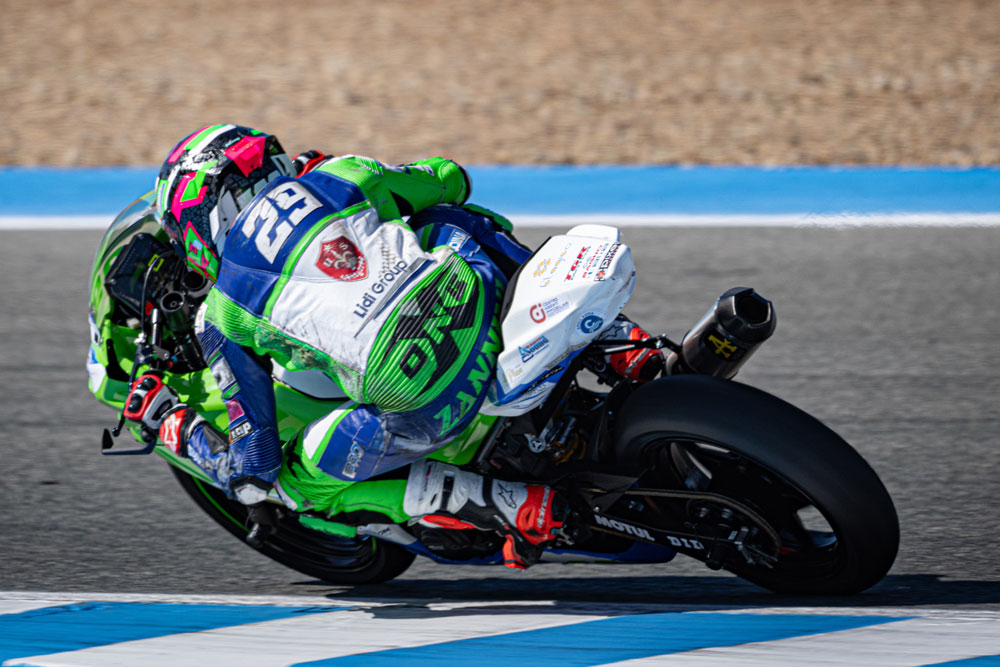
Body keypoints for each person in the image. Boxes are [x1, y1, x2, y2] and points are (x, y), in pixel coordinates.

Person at [122, 124, 662, 569]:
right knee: (446, 219)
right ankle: (617, 339)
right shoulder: (340, 176)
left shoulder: (220, 314)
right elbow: (451, 179)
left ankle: (509, 505)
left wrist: (170, 423)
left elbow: (254, 464)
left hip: (427, 402)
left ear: (200, 222)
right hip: (478, 309)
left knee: (291, 487)